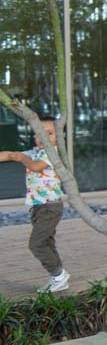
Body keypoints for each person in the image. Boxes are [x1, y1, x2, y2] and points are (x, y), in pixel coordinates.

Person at [1, 115, 69, 294]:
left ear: (58, 137)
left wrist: (21, 158)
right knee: (46, 242)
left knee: (36, 244)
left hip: (51, 207)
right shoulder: (35, 152)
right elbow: (10, 154)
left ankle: (58, 275)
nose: (43, 138)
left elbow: (35, 167)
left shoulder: (52, 153)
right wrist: (13, 155)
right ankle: (59, 277)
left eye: (49, 133)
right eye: (39, 134)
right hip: (39, 207)